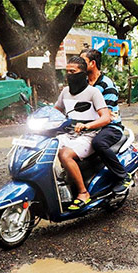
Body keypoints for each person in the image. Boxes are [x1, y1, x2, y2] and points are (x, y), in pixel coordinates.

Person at [54, 56, 110, 210]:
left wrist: (87, 126)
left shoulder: (93, 92)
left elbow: (106, 118)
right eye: (67, 71)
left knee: (64, 154)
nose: (69, 75)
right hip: (69, 133)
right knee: (46, 147)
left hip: (89, 135)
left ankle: (83, 193)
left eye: (73, 71)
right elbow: (55, 112)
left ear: (83, 73)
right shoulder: (65, 91)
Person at [79, 48, 132, 194]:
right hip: (87, 125)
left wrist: (86, 124)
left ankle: (123, 177)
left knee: (98, 143)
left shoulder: (107, 84)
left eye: (82, 61)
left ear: (92, 64)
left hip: (109, 126)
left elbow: (107, 116)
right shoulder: (82, 83)